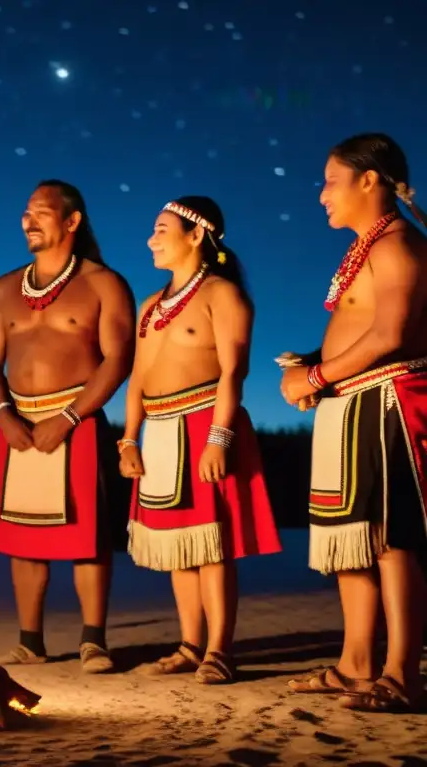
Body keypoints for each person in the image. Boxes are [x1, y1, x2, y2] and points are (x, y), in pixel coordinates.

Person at [279, 133, 427, 712]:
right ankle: (355, 666)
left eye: (331, 181)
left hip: (389, 401)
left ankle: (401, 676)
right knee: (352, 542)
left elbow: (390, 336)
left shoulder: (397, 247)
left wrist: (315, 379)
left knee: (393, 541)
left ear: (370, 180)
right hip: (353, 404)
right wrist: (317, 368)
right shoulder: (370, 245)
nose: (321, 196)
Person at [119, 196, 282, 685]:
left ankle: (219, 650)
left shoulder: (223, 295)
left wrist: (219, 437)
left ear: (196, 236)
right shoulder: (150, 307)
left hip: (206, 423)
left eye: (161, 228)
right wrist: (129, 440)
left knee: (212, 546)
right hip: (161, 430)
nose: (151, 239)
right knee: (177, 546)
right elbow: (138, 377)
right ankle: (189, 645)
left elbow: (235, 372)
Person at [0, 179, 135, 672]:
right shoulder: (5, 288)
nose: (29, 220)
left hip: (79, 418)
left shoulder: (103, 283)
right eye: (26, 212)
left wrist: (70, 417)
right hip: (17, 422)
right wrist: (4, 414)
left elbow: (119, 359)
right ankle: (30, 641)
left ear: (71, 221)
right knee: (23, 538)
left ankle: (93, 641)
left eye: (41, 212)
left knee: (87, 536)